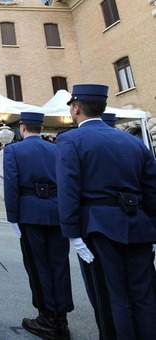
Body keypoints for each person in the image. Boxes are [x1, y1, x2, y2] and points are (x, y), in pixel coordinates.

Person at [57, 84, 156, 339]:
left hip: (98, 227)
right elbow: (152, 191)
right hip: (139, 226)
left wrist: (73, 234)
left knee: (111, 296)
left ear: (76, 108)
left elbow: (69, 189)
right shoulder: (134, 143)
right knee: (144, 296)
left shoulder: (70, 140)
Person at [3, 111, 73, 340]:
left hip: (30, 212)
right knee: (60, 265)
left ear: (22, 128)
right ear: (40, 128)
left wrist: (12, 217)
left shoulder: (13, 150)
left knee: (37, 265)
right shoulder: (56, 149)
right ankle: (61, 318)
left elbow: (11, 186)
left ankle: (46, 318)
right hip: (57, 211)